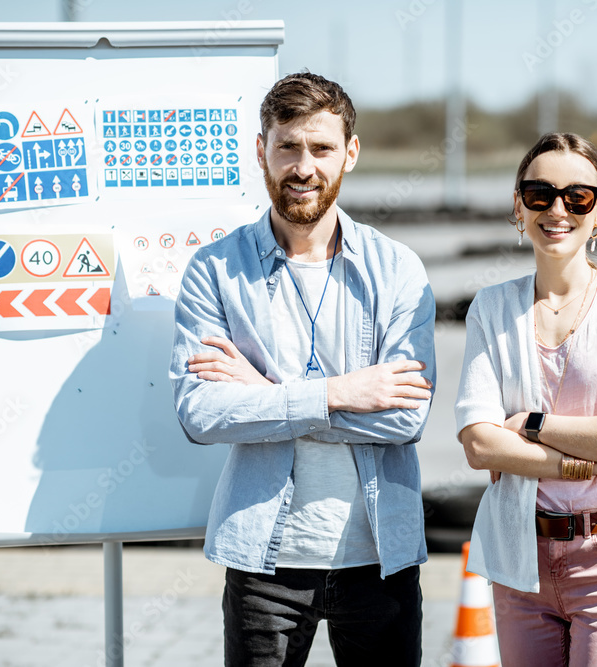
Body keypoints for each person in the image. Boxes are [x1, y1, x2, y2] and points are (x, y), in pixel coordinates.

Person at [169, 72, 436, 667]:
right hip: (266, 564)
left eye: (321, 147)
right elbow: (200, 414)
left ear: (351, 152)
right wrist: (341, 393)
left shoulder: (396, 270)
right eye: (287, 146)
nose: (303, 166)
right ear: (260, 149)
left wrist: (266, 396)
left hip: (379, 559)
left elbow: (405, 418)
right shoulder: (214, 269)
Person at [454, 132, 597, 666]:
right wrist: (587, 457)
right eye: (540, 193)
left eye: (577, 196)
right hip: (520, 558)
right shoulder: (491, 308)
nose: (557, 209)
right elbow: (479, 445)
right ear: (519, 205)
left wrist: (526, 423)